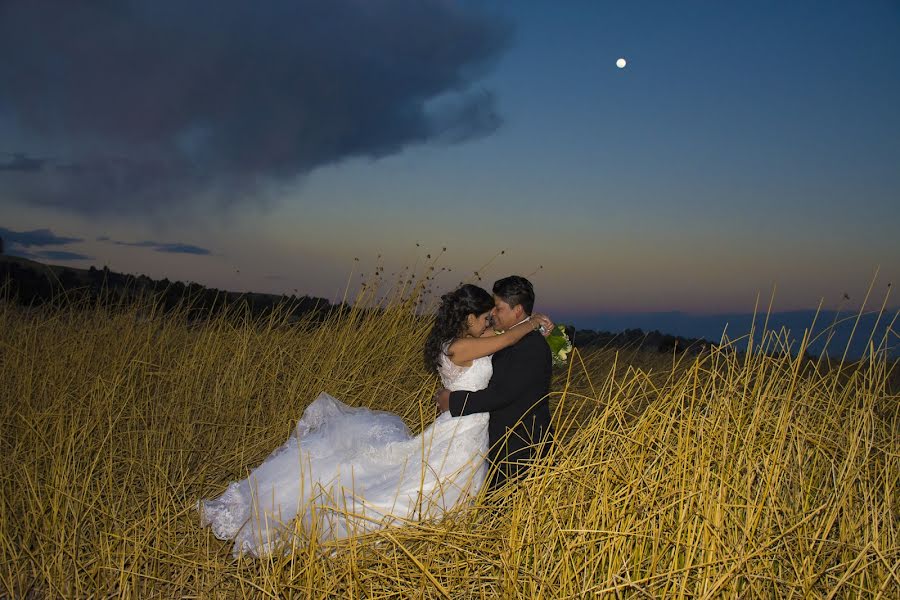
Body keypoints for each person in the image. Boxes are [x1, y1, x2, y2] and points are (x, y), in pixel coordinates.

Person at [198, 284, 552, 557]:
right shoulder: (460, 347)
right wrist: (532, 322)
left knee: (449, 485)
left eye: (495, 314)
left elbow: (505, 340)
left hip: (471, 429)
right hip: (461, 431)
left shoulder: (469, 338)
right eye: (487, 315)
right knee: (427, 488)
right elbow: (506, 338)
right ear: (469, 318)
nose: (491, 320)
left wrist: (534, 329)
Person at [435, 276, 554, 489]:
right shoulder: (501, 338)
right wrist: (533, 322)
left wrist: (454, 401)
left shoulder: (530, 345)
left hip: (520, 442)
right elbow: (505, 339)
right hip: (490, 435)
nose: (493, 315)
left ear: (517, 310)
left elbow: (503, 394)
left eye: (498, 308)